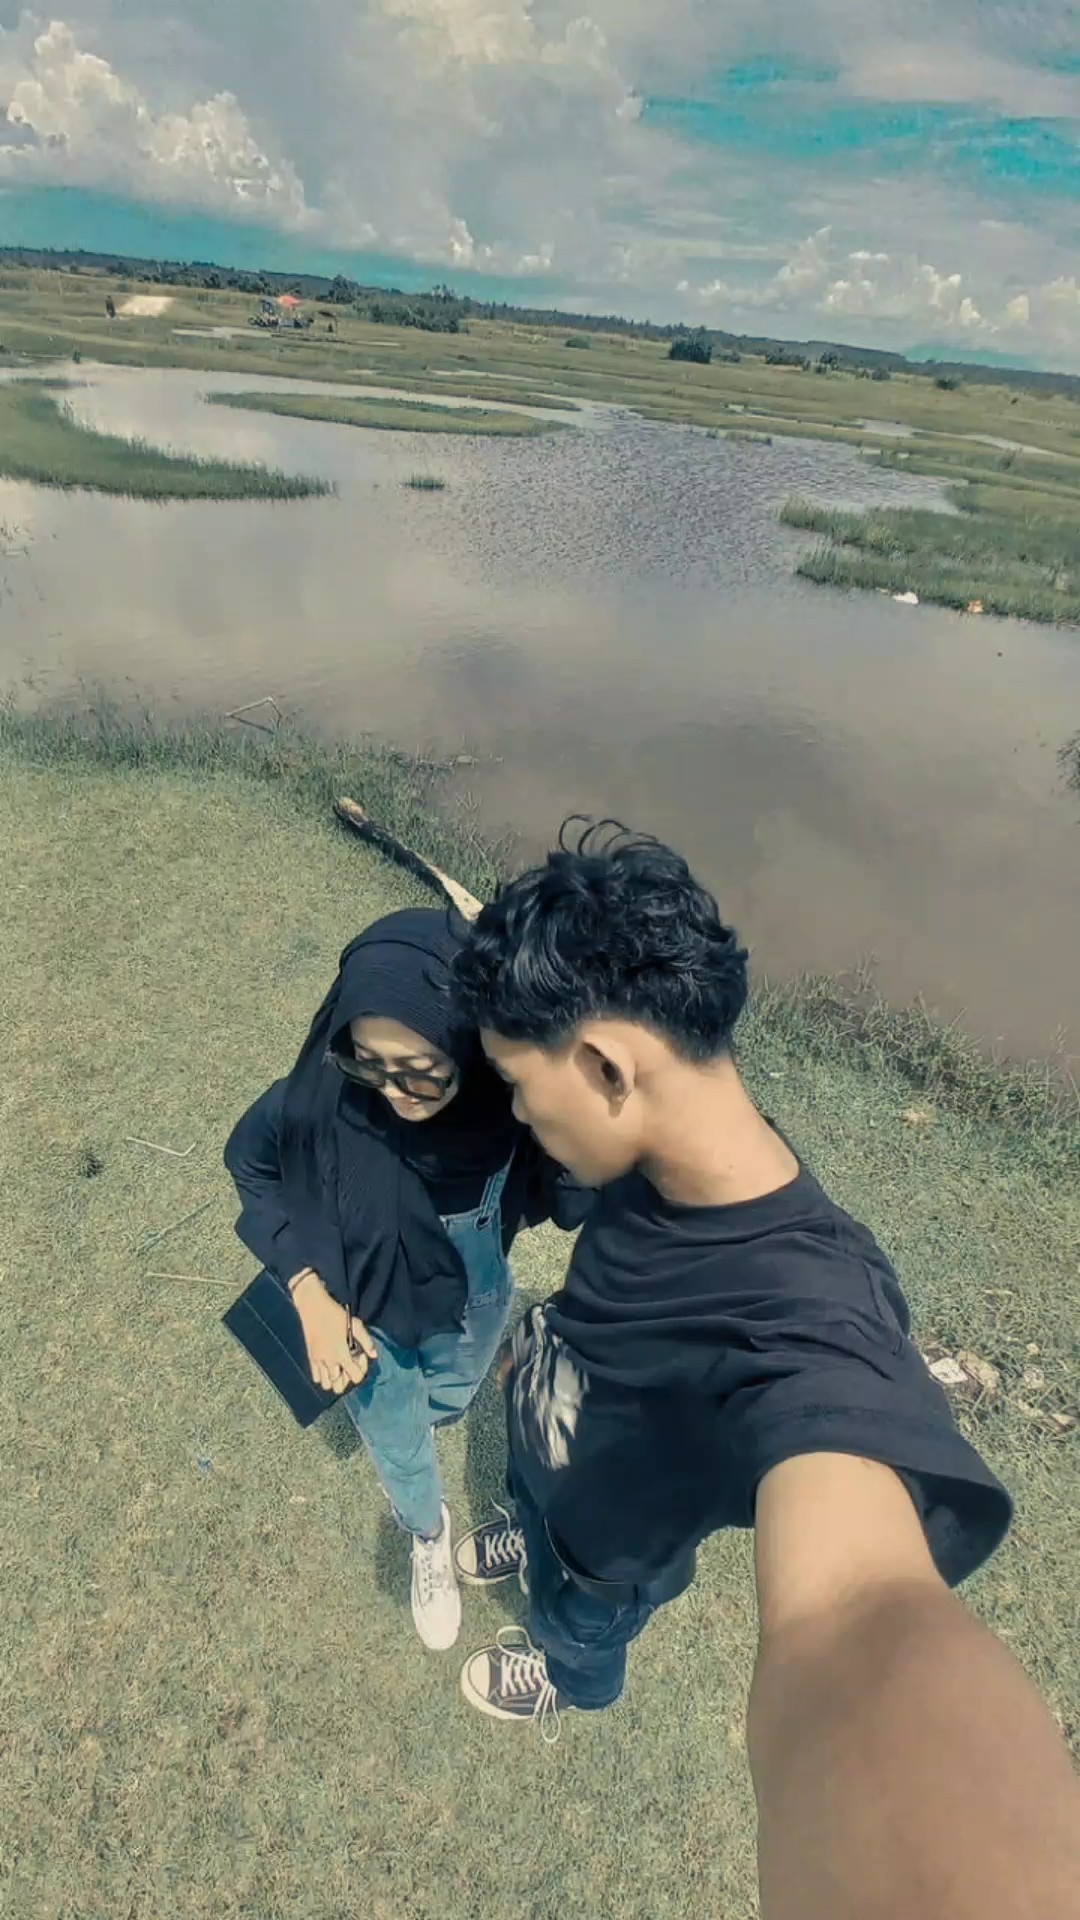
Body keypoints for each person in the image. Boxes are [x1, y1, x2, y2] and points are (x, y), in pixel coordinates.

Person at [449, 825, 1080, 1914]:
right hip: (553, 1464)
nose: (516, 1111)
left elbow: (856, 1616)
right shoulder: (667, 1148)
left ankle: (564, 1677)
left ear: (604, 1066)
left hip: (609, 1562)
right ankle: (529, 1527)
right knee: (535, 1512)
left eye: (515, 1083)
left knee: (575, 1624)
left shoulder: (812, 1318)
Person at [224, 907, 590, 1652]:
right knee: (398, 1440)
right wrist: (307, 1291)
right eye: (368, 1063)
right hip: (359, 1317)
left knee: (448, 1399)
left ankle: (430, 1419)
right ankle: (428, 1533)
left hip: (473, 1302)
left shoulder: (512, 1107)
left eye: (423, 1069)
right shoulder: (319, 1098)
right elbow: (250, 1163)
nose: (395, 1092)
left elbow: (572, 1196)